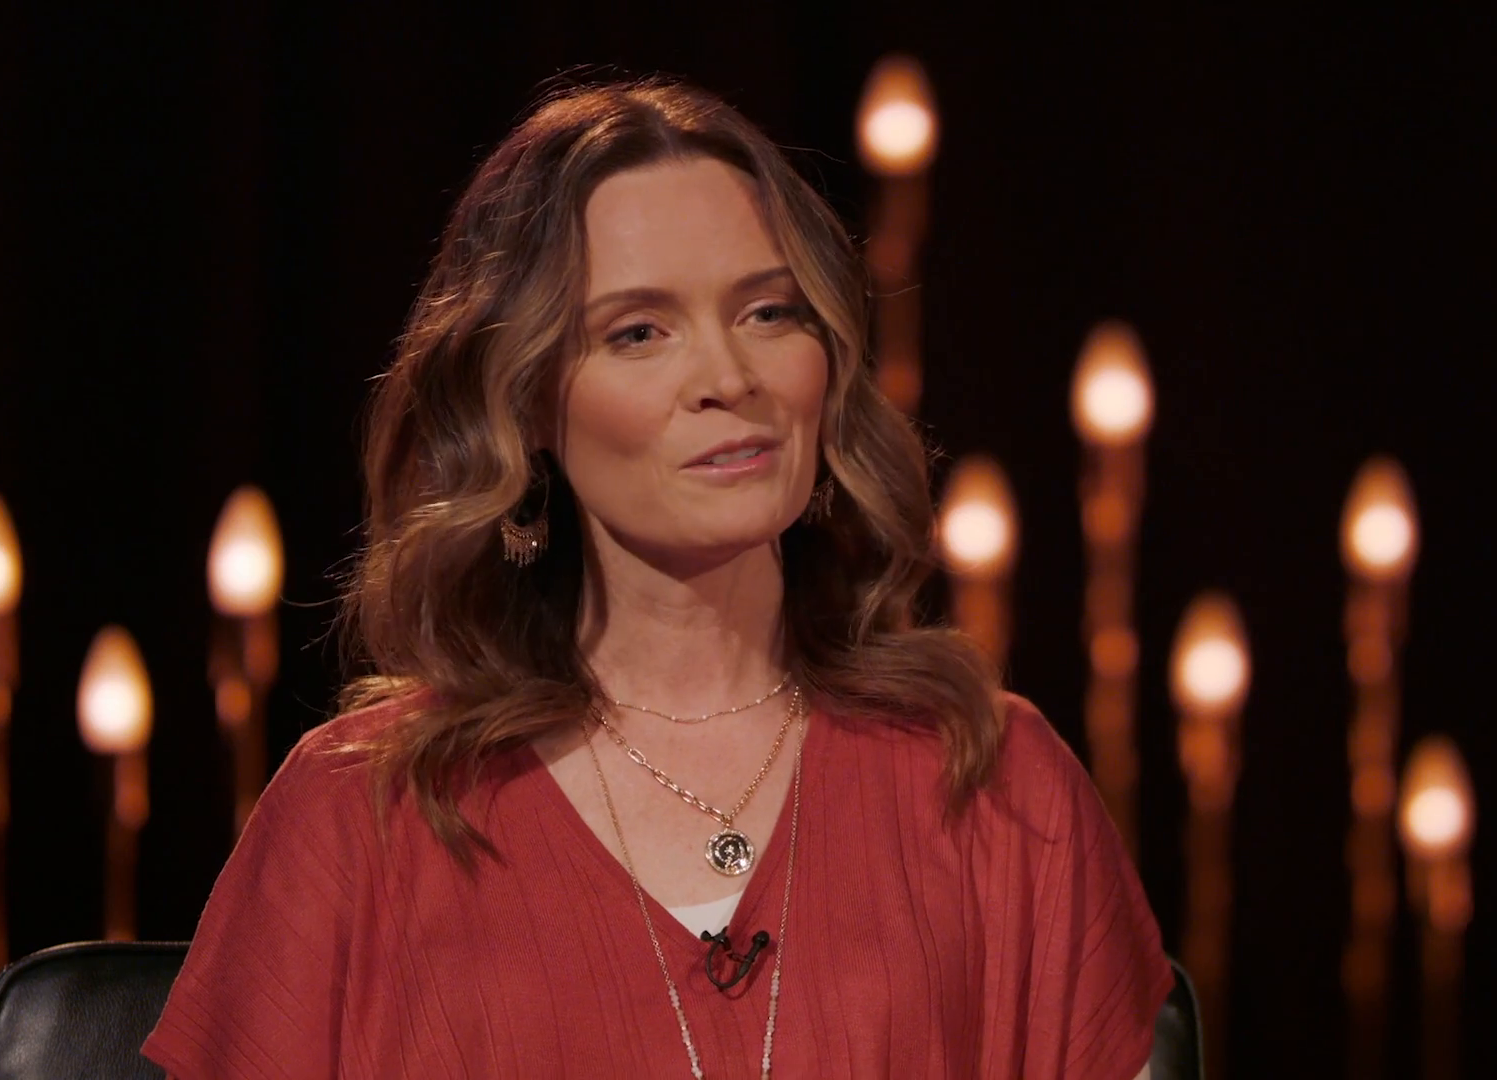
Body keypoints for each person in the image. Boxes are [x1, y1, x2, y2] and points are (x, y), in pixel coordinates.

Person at [142, 79, 1172, 1079]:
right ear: (527, 403)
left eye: (769, 312)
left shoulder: (993, 780)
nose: (729, 378)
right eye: (638, 332)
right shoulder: (362, 814)